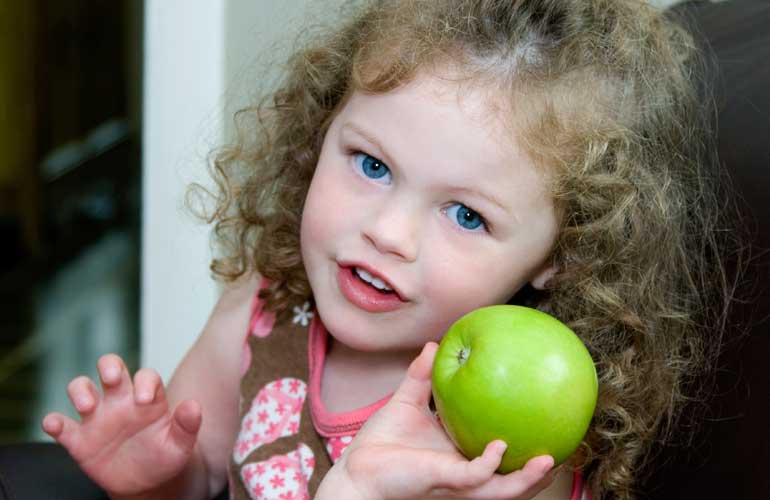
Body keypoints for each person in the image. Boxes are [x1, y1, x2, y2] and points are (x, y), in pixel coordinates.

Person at [40, 1, 740, 499]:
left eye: (466, 214)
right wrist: (159, 479)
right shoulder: (259, 311)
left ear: (565, 249)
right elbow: (206, 475)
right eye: (371, 165)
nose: (389, 233)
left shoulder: (510, 437)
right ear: (321, 130)